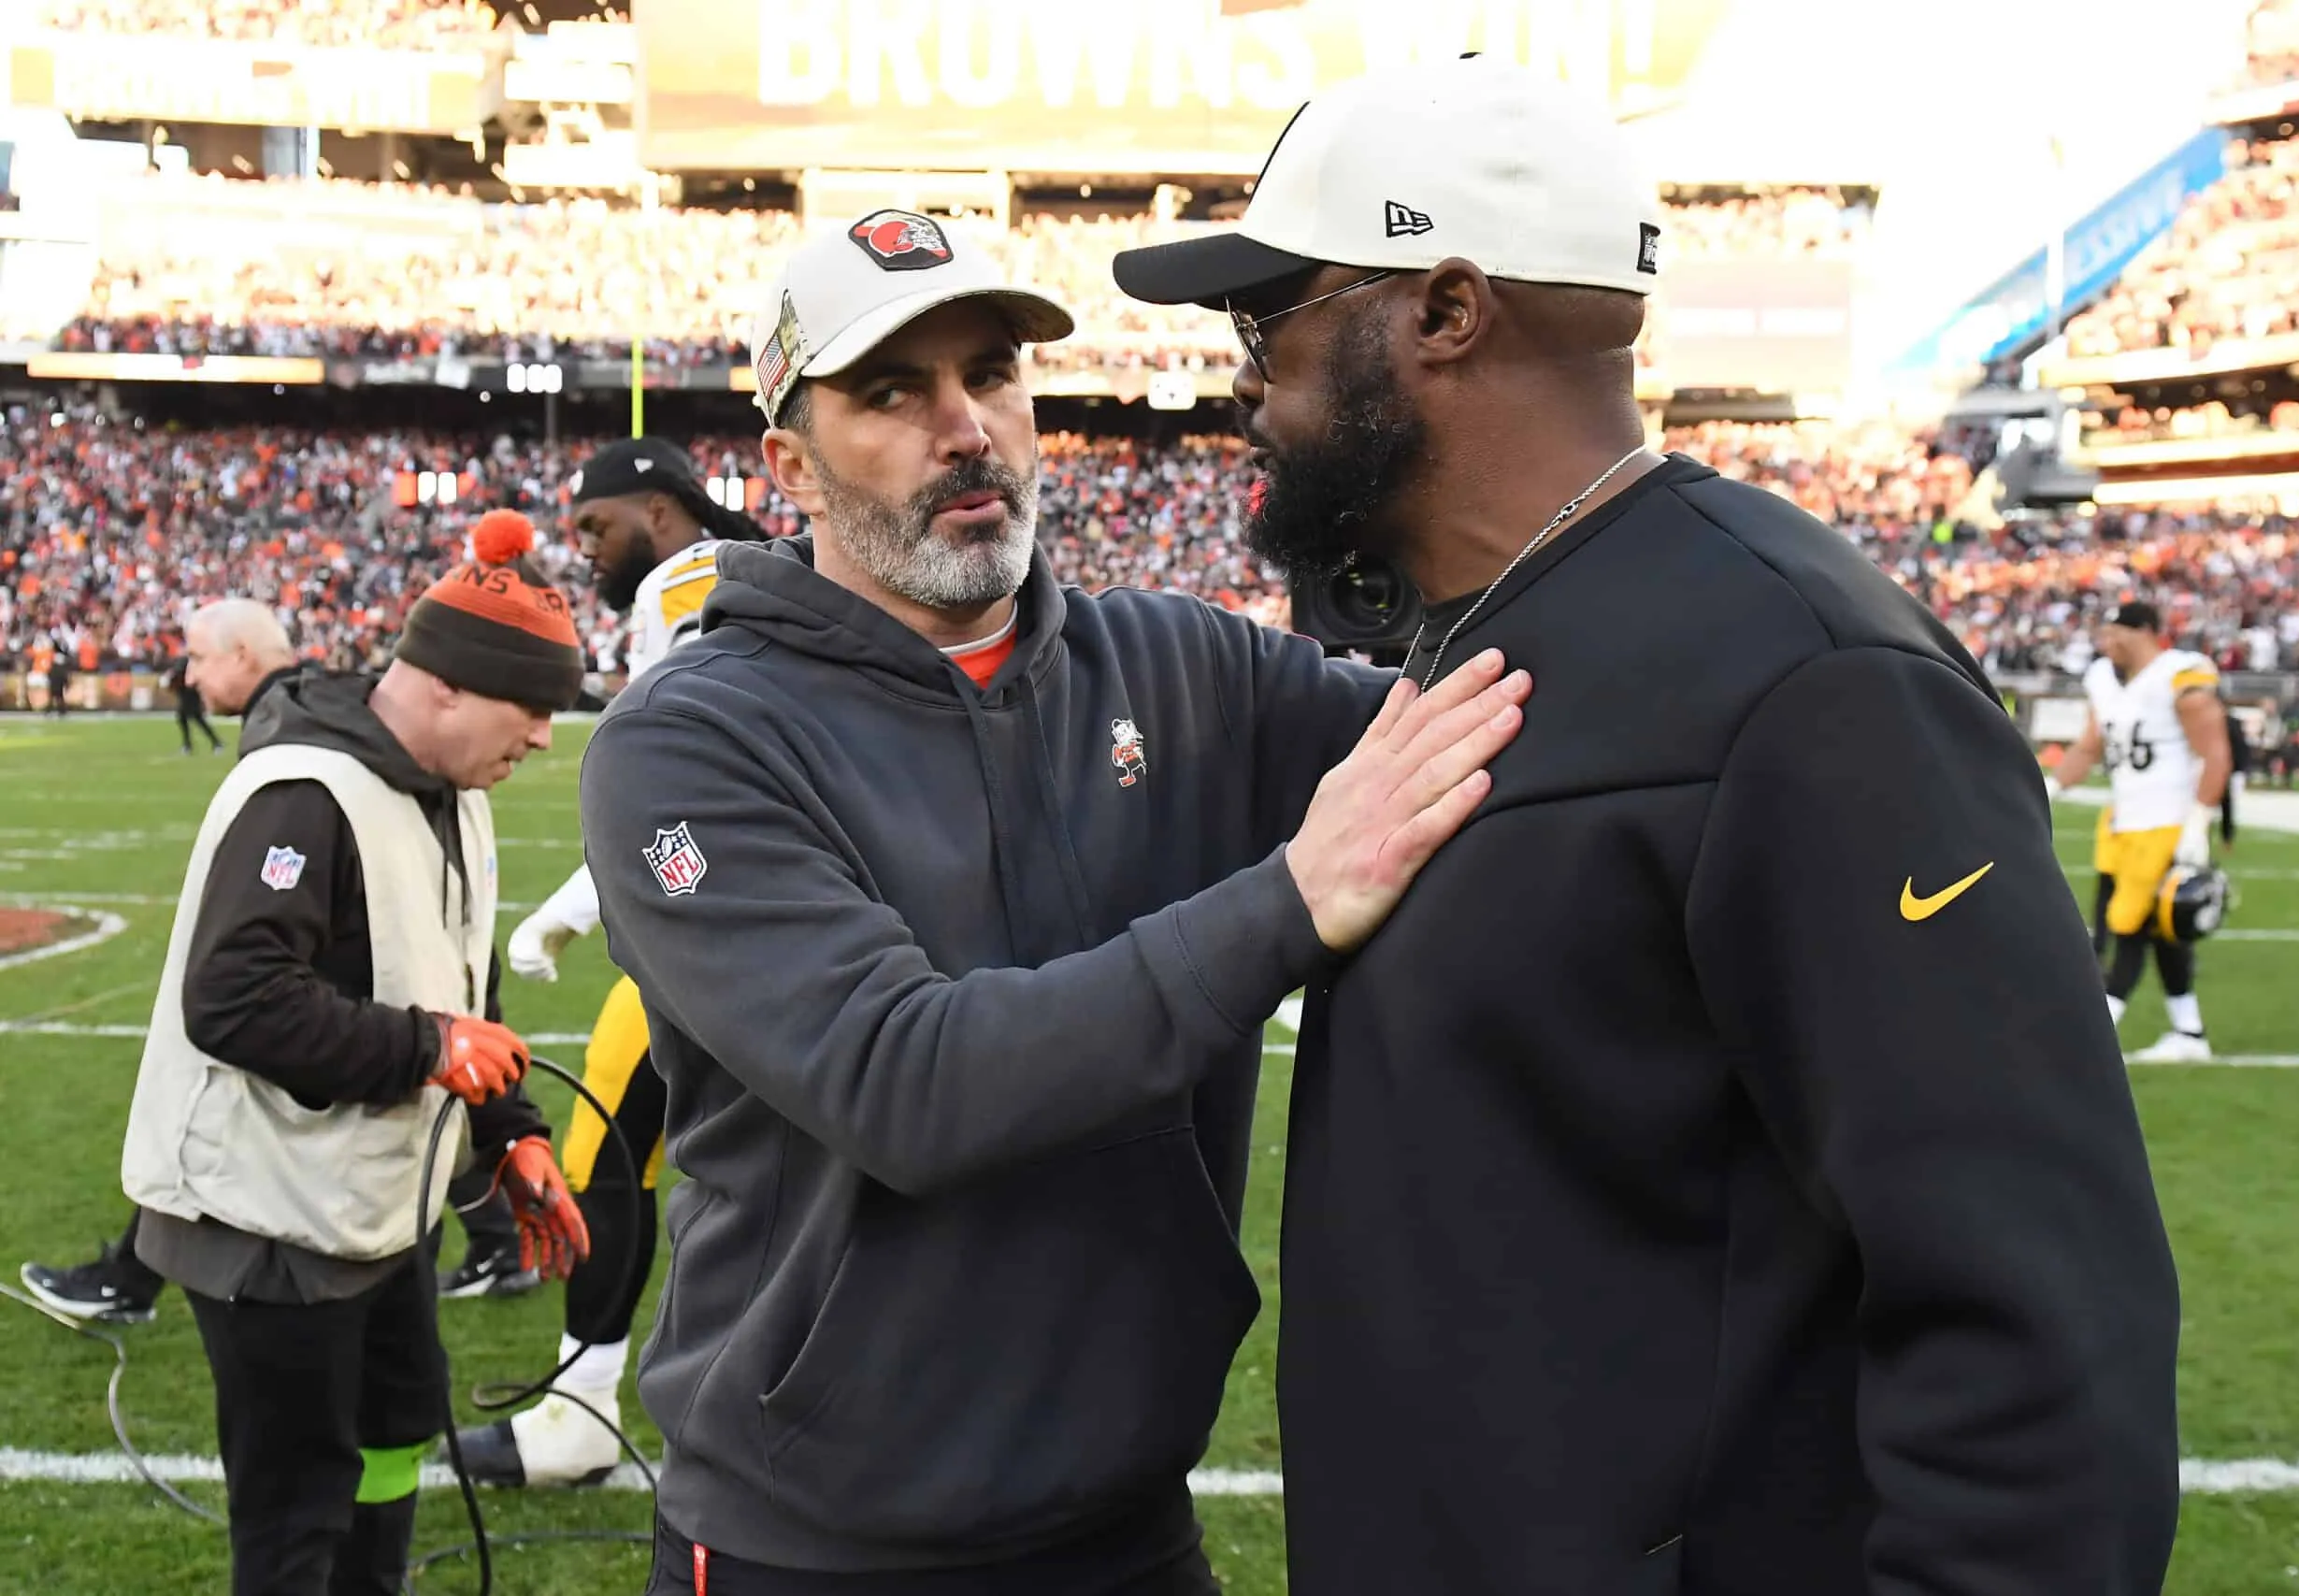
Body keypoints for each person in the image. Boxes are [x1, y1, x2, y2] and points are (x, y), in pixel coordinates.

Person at [1114, 56, 2181, 1596]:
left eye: (1270, 318)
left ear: (1444, 309)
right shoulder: (1494, 628)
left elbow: (2036, 1321)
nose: (1246, 383)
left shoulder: (1808, 677)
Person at [577, 211, 1528, 1594]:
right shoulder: (692, 741)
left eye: (991, 373)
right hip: (819, 1546)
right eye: (892, 391)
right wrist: (1291, 898)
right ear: (790, 461)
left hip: (1127, 1522)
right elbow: (907, 1080)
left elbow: (1494, 736)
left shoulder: (1183, 663)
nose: (962, 426)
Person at [117, 513, 595, 1596]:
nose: (542, 739)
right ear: (446, 688)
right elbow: (232, 999)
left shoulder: (452, 791)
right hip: (267, 1217)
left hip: (377, 1208)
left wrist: (508, 1136)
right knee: (297, 1510)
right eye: (531, 709)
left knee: (391, 1439)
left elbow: (462, 986)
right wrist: (429, 1048)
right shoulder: (305, 794)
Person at [452, 437, 770, 1489]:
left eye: (597, 526)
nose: (582, 552)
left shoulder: (690, 581)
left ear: (664, 511)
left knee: (601, 1156)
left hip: (724, 937)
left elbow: (688, 785)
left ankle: (579, 1418)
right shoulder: (778, 563)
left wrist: (570, 909)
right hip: (790, 922)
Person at [22, 597, 303, 1323]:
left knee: (206, 1114)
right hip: (307, 966)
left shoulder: (293, 725)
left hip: (294, 971)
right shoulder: (294, 713)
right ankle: (130, 1276)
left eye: (200, 656)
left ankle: (129, 1280)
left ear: (244, 655)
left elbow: (295, 853)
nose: (187, 671)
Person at [2051, 600, 2231, 1060]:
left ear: (2146, 631)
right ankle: (2190, 1033)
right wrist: (2048, 786)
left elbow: (2216, 754)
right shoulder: (2103, 679)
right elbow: (2090, 746)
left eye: (2117, 633)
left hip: (2166, 821)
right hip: (2122, 819)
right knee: (2157, 932)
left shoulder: (2182, 675)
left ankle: (2094, 1032)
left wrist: (2198, 824)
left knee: (2126, 925)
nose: (2107, 643)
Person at [166, 652, 223, 755]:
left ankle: (213, 743)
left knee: (194, 718)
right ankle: (191, 744)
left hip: (190, 693)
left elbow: (181, 676)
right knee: (189, 718)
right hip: (185, 693)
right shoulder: (187, 661)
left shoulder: (188, 662)